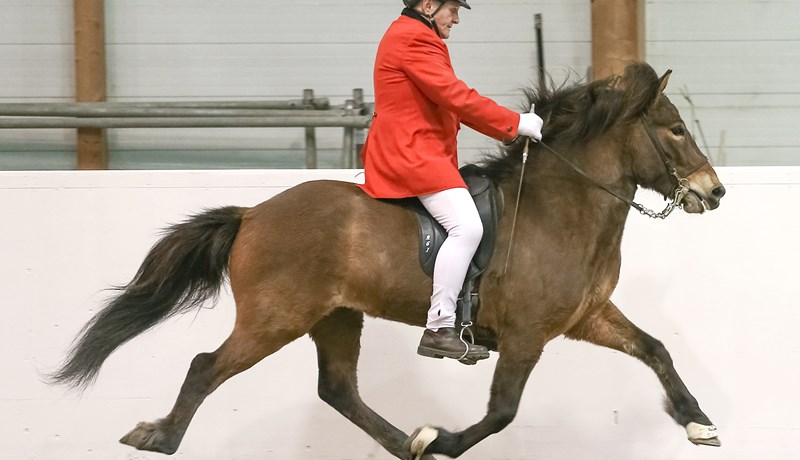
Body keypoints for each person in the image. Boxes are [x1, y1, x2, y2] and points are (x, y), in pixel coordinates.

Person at [359, 0, 544, 362]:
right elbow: (456, 96)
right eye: (453, 10)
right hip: (412, 155)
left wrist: (508, 128)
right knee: (467, 228)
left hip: (423, 152)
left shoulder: (413, 34)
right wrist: (515, 123)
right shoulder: (414, 39)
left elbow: (452, 103)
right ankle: (440, 327)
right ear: (428, 4)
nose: (457, 18)